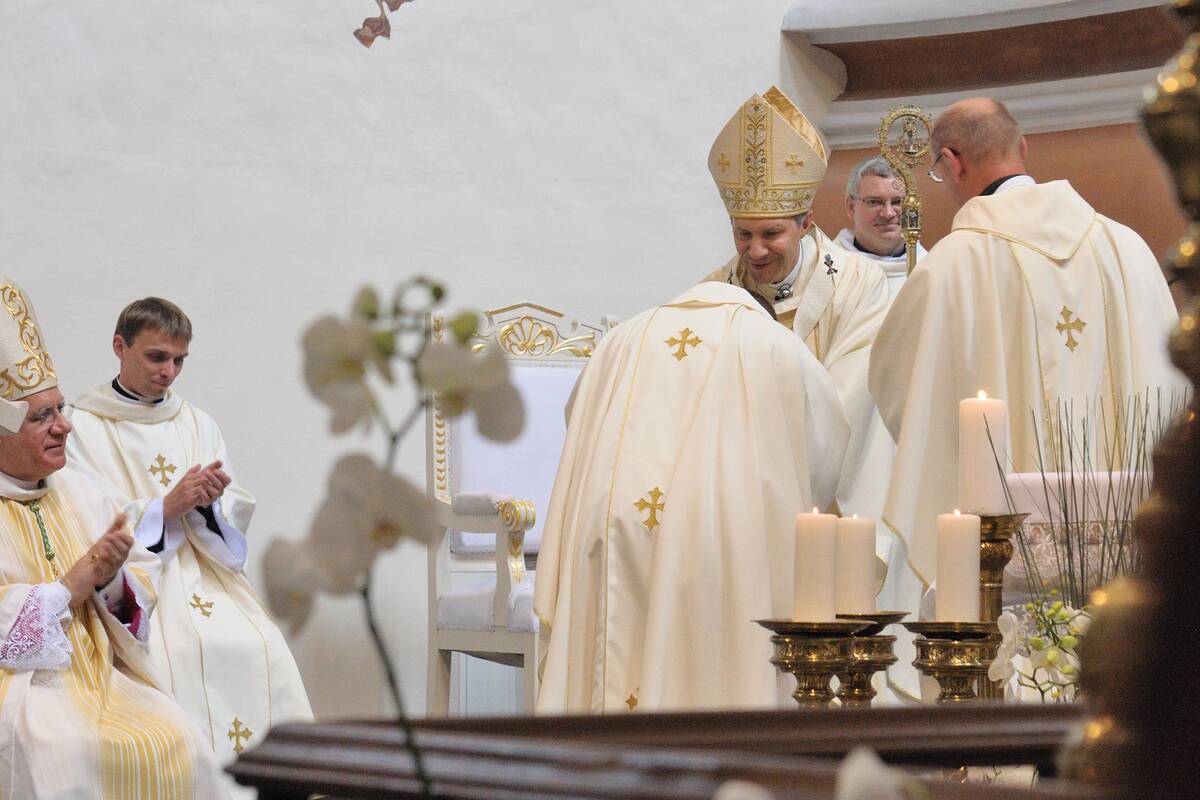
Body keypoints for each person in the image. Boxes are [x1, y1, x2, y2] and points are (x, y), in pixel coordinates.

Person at [870, 98, 1186, 634]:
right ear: (1022, 148)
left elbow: (902, 389)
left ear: (951, 162)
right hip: (1131, 562)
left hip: (1002, 569)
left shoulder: (952, 266)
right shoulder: (1128, 249)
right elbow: (1173, 387)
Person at [533, 282, 850, 713]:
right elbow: (826, 449)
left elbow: (578, 421)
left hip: (611, 528)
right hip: (721, 538)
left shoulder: (621, 340)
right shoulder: (775, 343)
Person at [0, 278, 229, 798]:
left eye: (60, 410)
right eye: (42, 417)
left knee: (180, 738)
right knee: (64, 755)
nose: (65, 427)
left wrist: (111, 581)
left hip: (103, 678)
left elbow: (134, 592)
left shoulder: (80, 492)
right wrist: (72, 586)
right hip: (22, 690)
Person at [65, 297, 311, 772]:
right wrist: (164, 508)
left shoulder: (197, 422)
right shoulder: (82, 426)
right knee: (173, 652)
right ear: (120, 346)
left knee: (260, 643)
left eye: (179, 360)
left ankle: (271, 782)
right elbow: (84, 515)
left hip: (205, 572)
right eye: (157, 357)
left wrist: (211, 503)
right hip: (138, 582)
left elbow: (235, 506)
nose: (169, 373)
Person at [701, 87, 889, 526]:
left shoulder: (857, 285)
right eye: (743, 234)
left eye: (771, 234)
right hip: (738, 495)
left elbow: (847, 403)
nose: (756, 251)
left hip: (827, 504)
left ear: (806, 223)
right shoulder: (715, 291)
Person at [835, 155, 928, 294]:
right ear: (851, 208)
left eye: (898, 202)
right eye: (874, 202)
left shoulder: (931, 269)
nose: (888, 213)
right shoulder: (828, 268)